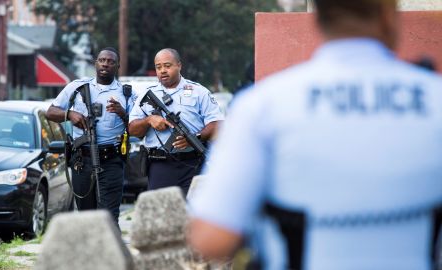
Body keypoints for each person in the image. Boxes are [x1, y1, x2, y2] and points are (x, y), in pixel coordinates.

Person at [188, 1, 442, 269]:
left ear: (319, 16)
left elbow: (210, 238)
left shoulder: (262, 106)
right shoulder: (435, 98)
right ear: (389, 14)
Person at [46, 47, 134, 224]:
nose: (105, 64)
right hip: (82, 160)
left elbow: (137, 126)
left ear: (117, 66)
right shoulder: (77, 87)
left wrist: (122, 113)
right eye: (102, 60)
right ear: (95, 63)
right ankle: (89, 251)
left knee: (109, 216)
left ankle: (110, 250)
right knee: (86, 215)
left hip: (111, 161)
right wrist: (70, 115)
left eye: (110, 62)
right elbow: (50, 112)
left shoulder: (126, 93)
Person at [128, 48, 224, 195]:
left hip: (193, 164)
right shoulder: (146, 95)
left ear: (179, 65)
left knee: (195, 213)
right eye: (158, 67)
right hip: (160, 165)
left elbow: (216, 125)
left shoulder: (199, 91)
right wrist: (149, 120)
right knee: (161, 212)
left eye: (167, 66)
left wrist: (195, 138)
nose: (163, 71)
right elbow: (132, 129)